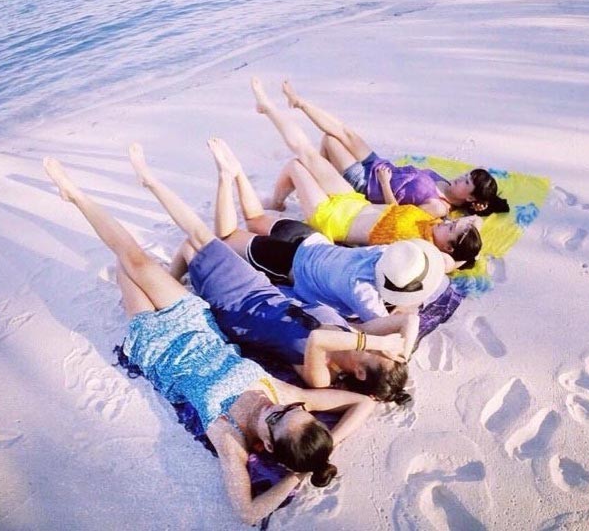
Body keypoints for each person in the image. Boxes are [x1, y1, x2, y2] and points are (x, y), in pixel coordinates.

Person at [43, 157, 375, 525]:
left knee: (127, 268)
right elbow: (363, 403)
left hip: (155, 342)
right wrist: (325, 453)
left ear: (265, 446)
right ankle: (74, 195)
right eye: (294, 411)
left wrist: (297, 476)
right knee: (133, 257)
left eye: (277, 418)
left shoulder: (230, 440)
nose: (276, 407)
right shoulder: (287, 397)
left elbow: (247, 513)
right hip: (194, 322)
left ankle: (114, 244)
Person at [128, 141, 412, 404]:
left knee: (199, 239)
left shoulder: (325, 374)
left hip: (240, 308)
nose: (382, 349)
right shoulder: (355, 332)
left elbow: (318, 339)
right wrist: (401, 352)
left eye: (380, 356)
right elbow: (409, 319)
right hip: (263, 289)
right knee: (195, 244)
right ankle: (173, 273)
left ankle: (155, 181)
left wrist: (377, 342)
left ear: (361, 374)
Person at [203, 138, 442, 346]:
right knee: (227, 237)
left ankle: (239, 173)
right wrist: (405, 309)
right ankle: (226, 177)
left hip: (310, 237)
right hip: (286, 261)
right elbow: (386, 324)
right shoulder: (363, 293)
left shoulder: (383, 252)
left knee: (256, 219)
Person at [251, 77, 483, 271]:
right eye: (452, 223)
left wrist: (467, 257)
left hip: (334, 219)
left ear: (448, 247)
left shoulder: (423, 250)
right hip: (354, 202)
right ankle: (277, 202)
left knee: (298, 162)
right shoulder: (430, 220)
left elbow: (450, 263)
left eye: (450, 229)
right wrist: (468, 227)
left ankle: (269, 110)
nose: (447, 224)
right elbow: (399, 211)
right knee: (312, 155)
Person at [280, 80, 509, 217]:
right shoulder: (446, 183)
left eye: (466, 182)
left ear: (469, 198)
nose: (461, 178)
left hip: (368, 183)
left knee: (330, 140)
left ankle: (317, 180)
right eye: (466, 175)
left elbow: (398, 215)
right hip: (380, 164)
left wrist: (384, 183)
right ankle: (300, 103)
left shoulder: (439, 208)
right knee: (344, 132)